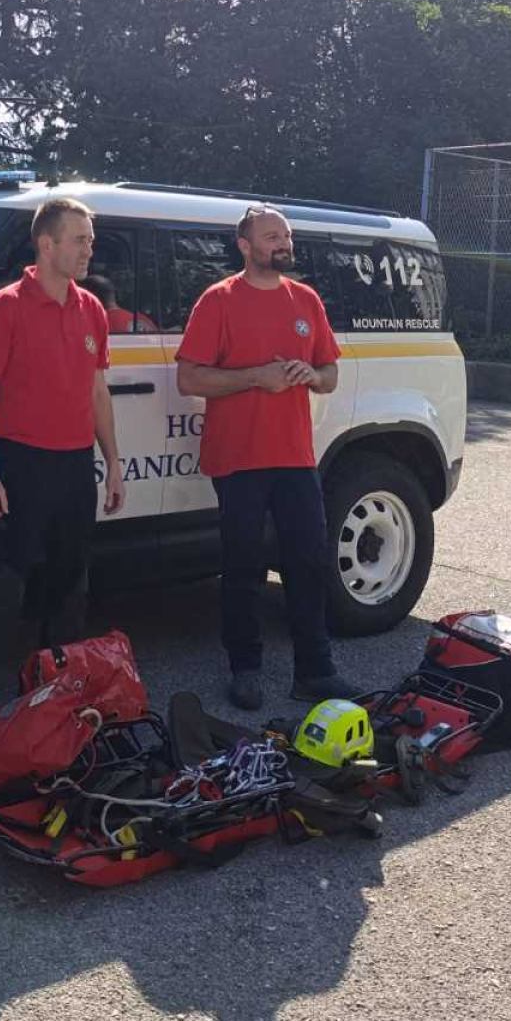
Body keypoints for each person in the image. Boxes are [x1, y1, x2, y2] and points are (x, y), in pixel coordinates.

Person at [176, 205, 361, 711]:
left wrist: (310, 374)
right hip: (237, 458)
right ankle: (245, 667)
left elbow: (330, 375)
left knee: (309, 560)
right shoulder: (218, 300)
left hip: (295, 456)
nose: (283, 243)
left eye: (286, 235)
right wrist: (256, 377)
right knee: (244, 566)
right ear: (245, 245)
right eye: (272, 236)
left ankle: (315, 671)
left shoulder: (306, 300)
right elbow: (189, 378)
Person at [0, 199, 125, 724]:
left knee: (69, 588)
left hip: (75, 467)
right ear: (47, 245)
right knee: (4, 588)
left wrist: (113, 463)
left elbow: (97, 392)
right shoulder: (5, 307)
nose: (89, 249)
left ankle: (56, 700)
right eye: (80, 240)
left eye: (91, 239)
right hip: (22, 465)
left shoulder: (92, 308)